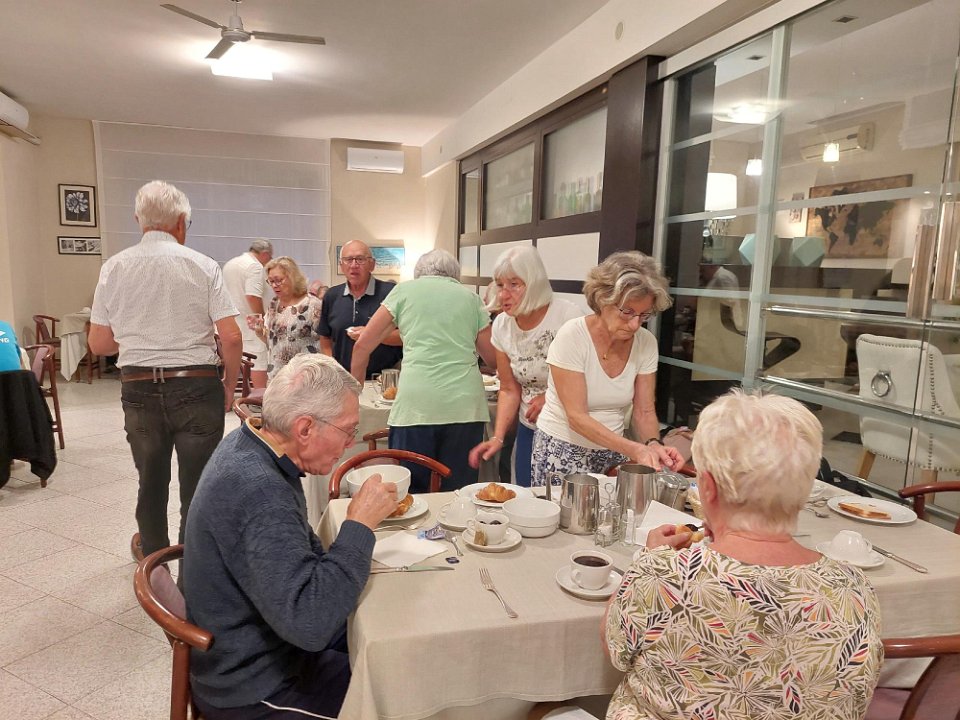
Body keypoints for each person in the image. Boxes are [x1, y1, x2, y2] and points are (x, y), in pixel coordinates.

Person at [605, 390, 883, 719]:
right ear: (806, 486)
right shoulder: (855, 589)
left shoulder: (663, 574)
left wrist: (647, 560)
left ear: (708, 488)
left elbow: (616, 650)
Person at [184, 354, 399, 720]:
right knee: (402, 693)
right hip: (254, 683)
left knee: (390, 640)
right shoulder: (260, 491)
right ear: (305, 429)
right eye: (348, 430)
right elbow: (311, 625)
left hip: (268, 641)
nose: (350, 443)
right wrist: (359, 525)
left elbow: (302, 562)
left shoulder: (252, 444)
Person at [88, 180, 242, 561]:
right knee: (198, 485)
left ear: (139, 221)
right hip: (198, 386)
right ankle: (195, 570)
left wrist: (139, 338)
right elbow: (231, 337)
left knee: (150, 481)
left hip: (139, 387)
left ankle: (154, 570)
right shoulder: (204, 265)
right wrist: (229, 385)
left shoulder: (114, 267)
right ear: (181, 222)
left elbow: (99, 344)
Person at [530, 251, 682, 486]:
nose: (635, 324)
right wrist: (635, 449)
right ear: (603, 299)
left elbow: (644, 411)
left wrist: (653, 444)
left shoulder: (645, 343)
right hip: (563, 448)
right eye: (627, 312)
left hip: (614, 450)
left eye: (644, 315)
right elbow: (577, 417)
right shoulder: (573, 336)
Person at [351, 249, 496, 492]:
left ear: (419, 272)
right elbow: (492, 358)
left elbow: (362, 346)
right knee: (458, 492)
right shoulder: (471, 298)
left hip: (416, 405)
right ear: (455, 275)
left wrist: (355, 392)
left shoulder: (404, 292)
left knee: (412, 491)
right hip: (465, 407)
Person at [468, 246, 582, 486]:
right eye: (500, 285)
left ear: (535, 283)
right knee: (525, 494)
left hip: (569, 430)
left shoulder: (567, 318)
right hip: (529, 426)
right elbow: (509, 389)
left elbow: (590, 376)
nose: (503, 294)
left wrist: (550, 396)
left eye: (514, 285)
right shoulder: (502, 326)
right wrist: (498, 437)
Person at [318, 240, 402, 379]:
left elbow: (404, 336)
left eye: (360, 259)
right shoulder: (332, 296)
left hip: (383, 379)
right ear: (341, 265)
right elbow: (325, 337)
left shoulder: (392, 293)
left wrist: (370, 335)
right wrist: (332, 367)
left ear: (372, 264)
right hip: (342, 379)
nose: (354, 265)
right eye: (348, 259)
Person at [248, 256, 323, 381]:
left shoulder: (313, 305)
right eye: (271, 281)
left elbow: (326, 343)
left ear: (293, 277)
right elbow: (274, 341)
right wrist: (260, 332)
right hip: (277, 377)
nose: (274, 285)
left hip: (305, 378)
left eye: (278, 280)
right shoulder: (274, 304)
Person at [223, 239, 273, 389]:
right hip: (250, 326)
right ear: (265, 254)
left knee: (231, 367)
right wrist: (263, 320)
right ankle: (261, 398)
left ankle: (228, 399)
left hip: (231, 323)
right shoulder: (255, 266)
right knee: (259, 362)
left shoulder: (230, 264)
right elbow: (252, 296)